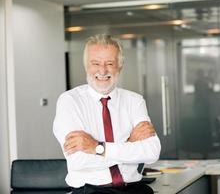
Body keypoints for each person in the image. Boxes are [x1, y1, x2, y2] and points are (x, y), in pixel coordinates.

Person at [53, 34, 161, 194]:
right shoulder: (70, 101)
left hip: (134, 190)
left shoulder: (135, 101)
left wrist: (97, 148)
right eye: (95, 63)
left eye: (110, 63)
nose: (102, 70)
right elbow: (79, 161)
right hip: (91, 191)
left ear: (120, 66)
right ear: (86, 66)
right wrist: (129, 144)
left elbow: (152, 152)